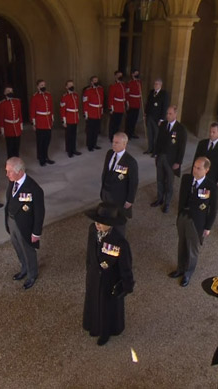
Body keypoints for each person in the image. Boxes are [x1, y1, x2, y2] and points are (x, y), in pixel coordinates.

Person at [83, 203, 134, 346]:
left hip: (109, 281)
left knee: (107, 308)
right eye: (97, 221)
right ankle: (93, 326)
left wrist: (126, 286)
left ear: (111, 224)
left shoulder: (119, 242)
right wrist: (89, 270)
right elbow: (89, 253)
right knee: (93, 302)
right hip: (94, 277)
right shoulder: (92, 230)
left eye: (102, 222)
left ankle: (106, 333)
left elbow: (126, 266)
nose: (97, 224)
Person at [170, 157, 218, 287]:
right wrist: (179, 215)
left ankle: (188, 273)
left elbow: (213, 209)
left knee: (192, 248)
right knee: (182, 244)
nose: (195, 170)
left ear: (206, 170)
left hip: (197, 222)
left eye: (198, 168)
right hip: (183, 217)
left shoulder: (211, 187)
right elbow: (181, 198)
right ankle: (180, 268)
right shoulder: (186, 179)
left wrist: (208, 227)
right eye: (194, 167)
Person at [5, 157, 45, 290]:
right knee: (18, 247)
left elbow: (40, 213)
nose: (7, 175)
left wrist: (36, 232)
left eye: (9, 171)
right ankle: (24, 268)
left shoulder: (34, 189)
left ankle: (32, 274)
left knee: (28, 250)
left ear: (20, 171)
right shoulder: (13, 182)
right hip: (12, 221)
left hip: (25, 226)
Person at [100, 132, 138, 236]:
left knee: (118, 221)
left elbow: (133, 182)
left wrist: (130, 200)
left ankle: (119, 239)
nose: (114, 144)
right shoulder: (109, 154)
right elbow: (106, 172)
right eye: (113, 142)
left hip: (119, 197)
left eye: (117, 142)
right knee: (107, 216)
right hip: (106, 193)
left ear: (124, 144)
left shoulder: (130, 161)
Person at [151, 105, 187, 213]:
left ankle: (167, 203)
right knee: (160, 180)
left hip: (172, 160)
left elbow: (182, 147)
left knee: (169, 183)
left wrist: (178, 162)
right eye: (167, 113)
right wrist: (156, 154)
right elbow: (158, 141)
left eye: (170, 113)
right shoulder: (163, 125)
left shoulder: (181, 129)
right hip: (161, 157)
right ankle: (160, 199)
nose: (168, 115)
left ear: (175, 114)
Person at [194, 122, 218, 192]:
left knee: (208, 198)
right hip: (200, 176)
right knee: (198, 194)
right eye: (210, 131)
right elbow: (196, 159)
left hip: (213, 178)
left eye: (214, 132)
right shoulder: (202, 144)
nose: (211, 134)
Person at [30, 79, 55, 166]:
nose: (43, 86)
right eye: (41, 85)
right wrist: (33, 123)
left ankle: (46, 156)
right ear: (38, 87)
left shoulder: (48, 95)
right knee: (41, 141)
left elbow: (51, 107)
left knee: (47, 140)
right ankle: (41, 158)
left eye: (44, 85)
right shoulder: (35, 97)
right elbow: (32, 111)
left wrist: (52, 118)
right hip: (40, 122)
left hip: (48, 121)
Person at [144, 78, 169, 156]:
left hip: (157, 118)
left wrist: (162, 119)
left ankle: (156, 151)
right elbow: (148, 103)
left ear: (160, 85)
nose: (155, 85)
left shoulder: (164, 94)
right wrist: (145, 113)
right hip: (150, 116)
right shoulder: (152, 92)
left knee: (157, 135)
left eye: (157, 84)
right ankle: (150, 148)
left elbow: (165, 107)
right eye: (154, 84)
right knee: (150, 134)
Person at [0, 86, 23, 158]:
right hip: (8, 128)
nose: (10, 92)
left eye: (11, 91)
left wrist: (20, 125)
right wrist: (2, 130)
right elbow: (1, 118)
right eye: (8, 91)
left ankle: (17, 165)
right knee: (10, 148)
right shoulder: (2, 104)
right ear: (4, 93)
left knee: (17, 148)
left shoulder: (17, 101)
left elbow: (19, 114)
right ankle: (10, 166)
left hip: (17, 127)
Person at [60, 80, 82, 158]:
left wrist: (77, 116)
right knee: (69, 135)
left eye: (72, 85)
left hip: (74, 117)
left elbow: (77, 107)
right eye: (69, 85)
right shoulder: (64, 97)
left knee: (74, 134)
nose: (71, 86)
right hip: (68, 118)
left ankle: (74, 149)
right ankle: (69, 150)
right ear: (66, 87)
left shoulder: (75, 95)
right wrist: (64, 120)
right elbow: (62, 110)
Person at [82, 75, 104, 152]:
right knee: (90, 130)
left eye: (97, 80)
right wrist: (86, 113)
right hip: (91, 112)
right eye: (94, 80)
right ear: (91, 82)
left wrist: (101, 110)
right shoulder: (87, 91)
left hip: (98, 112)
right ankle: (89, 145)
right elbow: (85, 103)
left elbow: (101, 100)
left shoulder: (100, 89)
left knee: (96, 129)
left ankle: (94, 143)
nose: (96, 82)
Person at [108, 70, 126, 142]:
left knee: (118, 124)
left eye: (121, 75)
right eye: (118, 75)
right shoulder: (113, 86)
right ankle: (111, 137)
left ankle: (117, 137)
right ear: (115, 76)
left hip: (121, 107)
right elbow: (111, 97)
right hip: (115, 107)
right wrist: (111, 108)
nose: (120, 77)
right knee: (113, 124)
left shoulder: (123, 85)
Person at [125, 69, 142, 139]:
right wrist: (128, 104)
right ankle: (127, 133)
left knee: (135, 119)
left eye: (138, 73)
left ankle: (132, 132)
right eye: (136, 73)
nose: (137, 74)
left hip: (137, 103)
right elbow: (127, 94)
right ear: (132, 74)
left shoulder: (139, 82)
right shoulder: (130, 83)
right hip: (131, 103)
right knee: (129, 119)